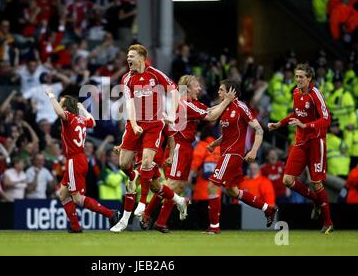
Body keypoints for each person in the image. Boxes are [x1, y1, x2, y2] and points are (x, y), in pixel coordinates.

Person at [109, 44, 189, 233]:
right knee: (126, 166)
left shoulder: (156, 75)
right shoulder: (126, 78)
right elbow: (129, 103)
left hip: (154, 125)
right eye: (127, 56)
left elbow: (175, 91)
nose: (128, 59)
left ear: (142, 58)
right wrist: (134, 124)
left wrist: (171, 113)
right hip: (134, 125)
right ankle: (179, 200)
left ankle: (141, 205)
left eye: (132, 56)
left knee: (146, 163)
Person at [140, 75, 235, 232]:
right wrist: (226, 101)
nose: (199, 89)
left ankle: (160, 222)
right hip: (177, 146)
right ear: (187, 88)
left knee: (178, 187)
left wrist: (226, 103)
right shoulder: (184, 104)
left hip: (185, 146)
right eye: (196, 86)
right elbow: (212, 117)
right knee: (172, 185)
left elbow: (210, 110)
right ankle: (148, 214)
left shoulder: (193, 104)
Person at [268, 63, 334, 234]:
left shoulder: (315, 94)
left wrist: (306, 126)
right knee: (287, 180)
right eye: (296, 76)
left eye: (301, 77)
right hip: (300, 141)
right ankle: (316, 201)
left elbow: (327, 119)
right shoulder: (296, 92)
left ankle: (328, 222)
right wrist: (279, 124)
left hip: (316, 141)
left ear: (309, 78)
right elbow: (296, 114)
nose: (297, 79)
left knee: (316, 182)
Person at [206, 79, 277, 235]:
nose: (218, 92)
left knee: (212, 185)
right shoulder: (224, 107)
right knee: (232, 191)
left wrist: (253, 150)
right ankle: (268, 209)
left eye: (221, 90)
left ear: (231, 92)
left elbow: (259, 130)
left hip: (233, 154)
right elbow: (227, 134)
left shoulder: (241, 107)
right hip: (226, 152)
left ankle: (214, 227)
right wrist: (215, 144)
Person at [45, 89, 120, 232]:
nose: (59, 105)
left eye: (61, 103)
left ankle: (111, 214)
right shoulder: (80, 119)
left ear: (66, 107)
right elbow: (93, 122)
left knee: (78, 199)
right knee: (63, 193)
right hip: (79, 159)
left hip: (74, 160)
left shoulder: (69, 117)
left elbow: (60, 113)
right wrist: (83, 109)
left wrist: (51, 96)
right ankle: (75, 226)